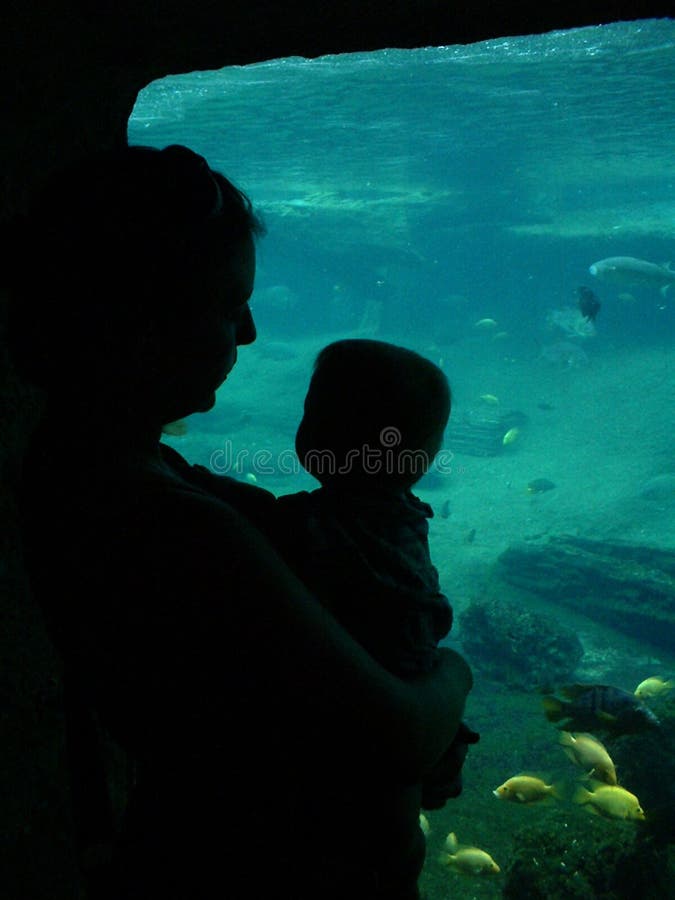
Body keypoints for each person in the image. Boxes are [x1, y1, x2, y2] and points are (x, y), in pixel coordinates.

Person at [4, 144, 473, 899]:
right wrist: (452, 676)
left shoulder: (101, 469)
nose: (249, 332)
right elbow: (396, 737)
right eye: (228, 305)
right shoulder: (175, 523)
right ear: (141, 322)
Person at [267, 338, 479, 899]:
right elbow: (416, 652)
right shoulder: (405, 527)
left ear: (312, 438)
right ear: (425, 457)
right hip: (382, 796)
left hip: (320, 787)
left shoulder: (296, 527)